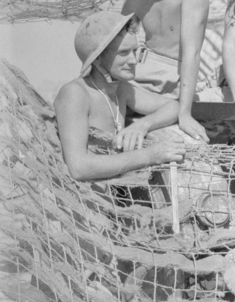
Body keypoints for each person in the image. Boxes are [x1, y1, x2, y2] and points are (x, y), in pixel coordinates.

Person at [54, 11, 186, 181]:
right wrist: (150, 155)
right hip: (83, 201)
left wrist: (142, 125)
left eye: (135, 51)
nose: (133, 61)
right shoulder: (76, 94)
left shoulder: (120, 88)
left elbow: (173, 107)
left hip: (113, 197)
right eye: (124, 53)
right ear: (97, 58)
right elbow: (79, 167)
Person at [122, 0, 210, 143]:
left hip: (172, 83)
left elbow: (192, 52)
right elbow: (116, 42)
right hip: (137, 79)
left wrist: (185, 112)